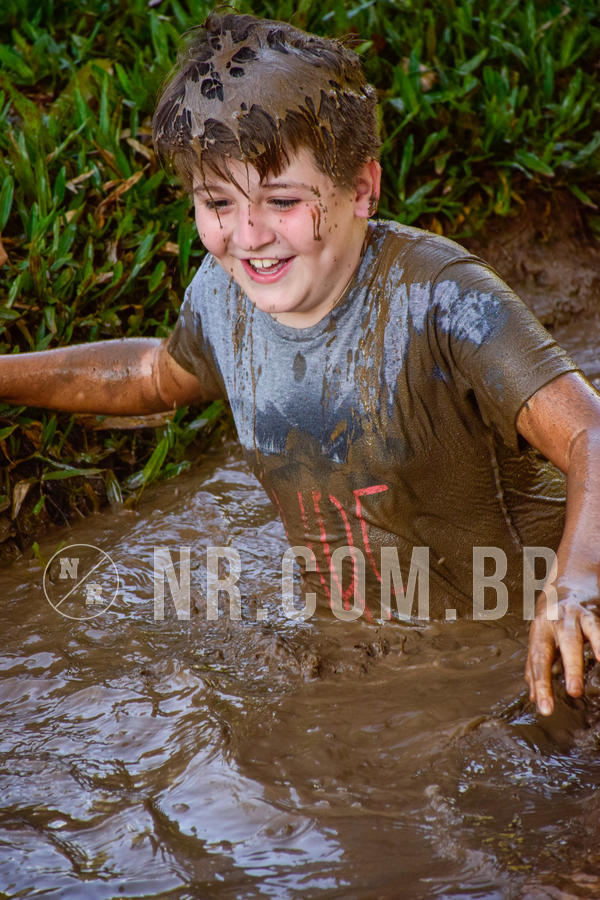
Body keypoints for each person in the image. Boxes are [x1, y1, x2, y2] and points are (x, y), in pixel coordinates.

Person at [1, 12, 600, 717]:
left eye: (282, 202)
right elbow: (152, 378)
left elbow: (592, 437)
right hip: (367, 656)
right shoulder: (222, 301)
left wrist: (580, 579)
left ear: (360, 191)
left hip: (533, 649)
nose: (249, 236)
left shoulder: (442, 300)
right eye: (217, 203)